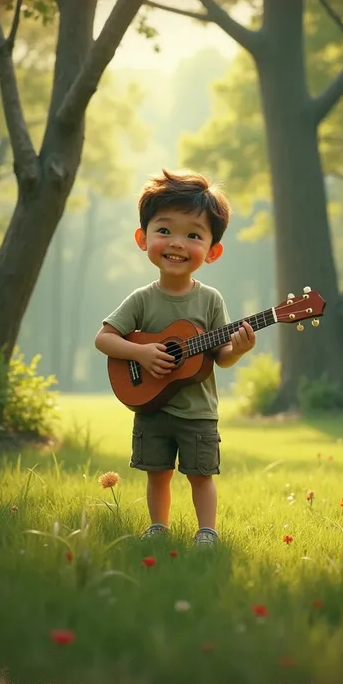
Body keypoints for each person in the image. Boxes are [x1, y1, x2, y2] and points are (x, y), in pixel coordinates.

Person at [95, 169, 256, 546]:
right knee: (157, 472)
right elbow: (104, 339)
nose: (177, 243)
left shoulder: (210, 300)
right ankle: (158, 527)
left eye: (193, 235)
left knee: (201, 474)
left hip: (198, 411)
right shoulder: (141, 299)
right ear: (143, 238)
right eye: (164, 230)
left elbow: (221, 356)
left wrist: (239, 349)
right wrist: (142, 353)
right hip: (151, 405)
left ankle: (207, 532)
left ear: (213, 251)